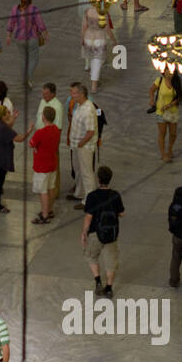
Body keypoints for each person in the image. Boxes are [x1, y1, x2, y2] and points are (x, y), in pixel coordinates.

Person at [81, 165, 124, 297]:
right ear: (110, 179)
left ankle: (98, 281)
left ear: (98, 179)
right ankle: (109, 288)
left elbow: (88, 217)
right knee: (111, 262)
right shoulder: (115, 195)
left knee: (91, 256)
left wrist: (84, 232)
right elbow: (121, 213)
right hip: (111, 234)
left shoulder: (92, 196)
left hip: (95, 233)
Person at [7, 0, 48, 87]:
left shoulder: (15, 9)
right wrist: (45, 33)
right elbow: (40, 23)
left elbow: (11, 23)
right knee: (34, 58)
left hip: (18, 38)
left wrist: (8, 35)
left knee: (22, 58)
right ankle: (27, 78)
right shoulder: (33, 9)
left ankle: (24, 78)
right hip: (31, 38)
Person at [67, 82, 98, 203]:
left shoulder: (88, 109)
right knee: (78, 170)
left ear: (81, 94)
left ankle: (89, 199)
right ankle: (79, 193)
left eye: (73, 93)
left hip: (84, 147)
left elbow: (90, 131)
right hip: (76, 145)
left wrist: (81, 143)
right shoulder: (79, 105)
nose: (71, 95)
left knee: (86, 172)